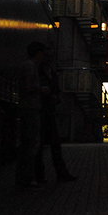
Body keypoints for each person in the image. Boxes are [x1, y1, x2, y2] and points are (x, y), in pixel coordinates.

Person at [35, 46, 77, 183]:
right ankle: (41, 175)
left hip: (48, 110)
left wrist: (55, 97)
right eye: (48, 56)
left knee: (54, 144)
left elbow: (56, 89)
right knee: (41, 145)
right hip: (41, 109)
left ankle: (59, 173)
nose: (50, 58)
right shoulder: (40, 71)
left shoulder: (50, 72)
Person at [15, 41, 48, 189]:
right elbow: (28, 86)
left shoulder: (29, 66)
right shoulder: (30, 66)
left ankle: (24, 177)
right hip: (30, 108)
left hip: (28, 107)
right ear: (38, 53)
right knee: (31, 144)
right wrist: (42, 89)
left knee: (27, 143)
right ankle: (27, 178)